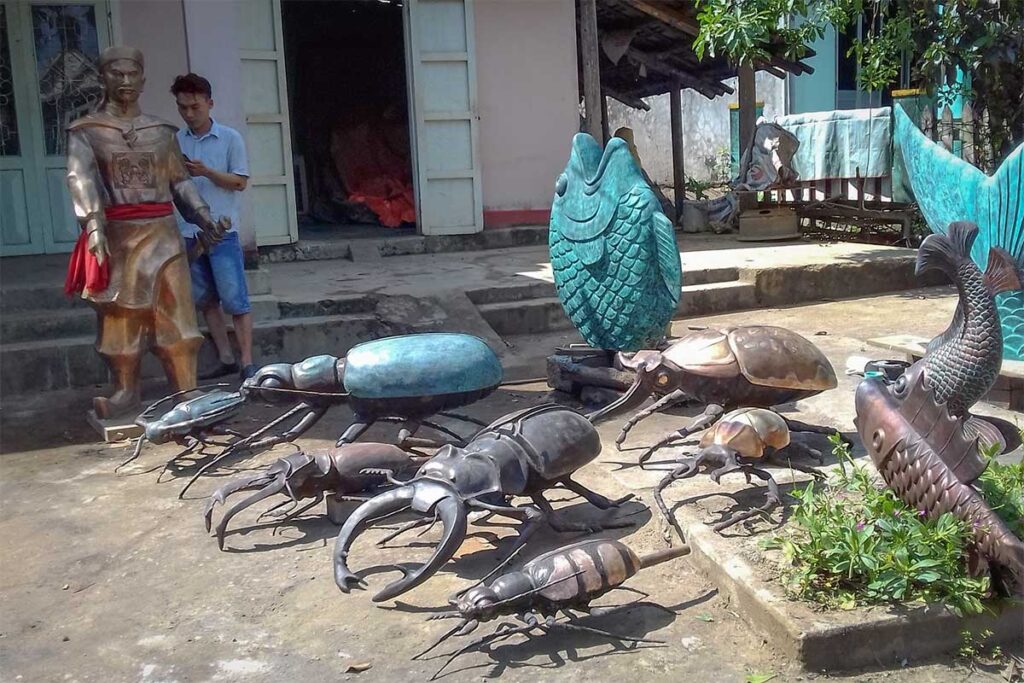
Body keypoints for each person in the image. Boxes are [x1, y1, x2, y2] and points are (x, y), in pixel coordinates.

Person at [65, 46, 227, 419]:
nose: (125, 81)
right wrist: (92, 225)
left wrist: (204, 217)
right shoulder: (87, 131)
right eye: (116, 73)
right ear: (102, 77)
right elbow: (80, 178)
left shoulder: (161, 132)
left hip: (164, 235)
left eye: (131, 74)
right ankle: (125, 391)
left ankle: (187, 391)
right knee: (121, 316)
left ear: (143, 78)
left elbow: (180, 182)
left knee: (178, 314)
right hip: (118, 236)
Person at [170, 72, 257, 380]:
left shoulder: (230, 138)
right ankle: (225, 356)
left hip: (222, 232)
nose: (189, 114)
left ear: (210, 104)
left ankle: (247, 362)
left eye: (195, 107)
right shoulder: (174, 141)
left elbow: (239, 182)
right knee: (206, 300)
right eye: (183, 108)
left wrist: (206, 172)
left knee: (235, 299)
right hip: (188, 232)